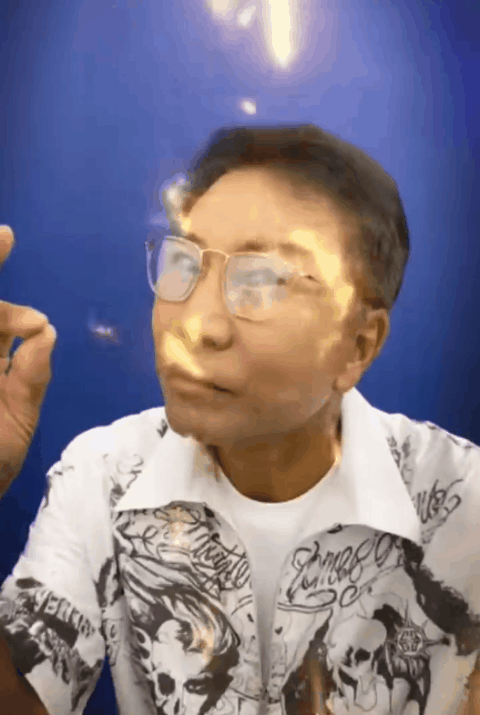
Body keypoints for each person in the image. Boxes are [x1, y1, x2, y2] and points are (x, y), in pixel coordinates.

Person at [0, 123, 479, 715]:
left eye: (261, 281)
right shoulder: (104, 475)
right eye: (184, 263)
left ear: (358, 345)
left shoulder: (463, 504)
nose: (197, 325)